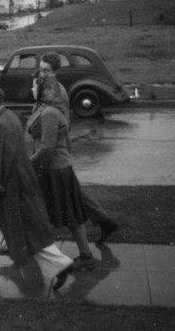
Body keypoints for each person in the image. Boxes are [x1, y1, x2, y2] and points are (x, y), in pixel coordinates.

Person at [0, 85, 73, 296]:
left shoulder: (2, 125)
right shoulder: (8, 118)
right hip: (13, 187)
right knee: (21, 232)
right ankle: (61, 264)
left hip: (3, 190)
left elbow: (0, 160)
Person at [37, 51, 119, 245]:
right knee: (73, 192)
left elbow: (62, 122)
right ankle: (104, 221)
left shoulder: (57, 91)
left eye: (46, 70)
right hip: (57, 148)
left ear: (55, 71)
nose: (42, 73)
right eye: (40, 69)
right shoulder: (47, 88)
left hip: (58, 149)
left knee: (67, 193)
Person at [26, 69, 99, 271]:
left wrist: (27, 164)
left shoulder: (49, 113)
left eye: (34, 85)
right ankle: (80, 255)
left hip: (55, 171)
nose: (31, 88)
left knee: (67, 216)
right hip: (53, 169)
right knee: (61, 214)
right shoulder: (41, 108)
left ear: (45, 89)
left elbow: (47, 149)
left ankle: (83, 257)